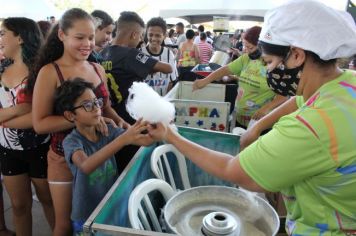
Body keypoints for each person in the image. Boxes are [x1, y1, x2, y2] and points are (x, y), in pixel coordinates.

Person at [148, 0, 356, 235]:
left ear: (297, 55)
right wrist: (257, 128)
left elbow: (233, 170)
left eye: (269, 62)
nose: (268, 70)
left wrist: (170, 135)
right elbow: (300, 99)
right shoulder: (346, 81)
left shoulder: (313, 126)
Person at [29, 8, 125, 235]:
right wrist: (84, 118)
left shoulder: (97, 68)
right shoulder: (50, 72)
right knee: (64, 226)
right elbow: (40, 124)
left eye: (91, 37)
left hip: (101, 157)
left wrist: (128, 126)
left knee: (98, 219)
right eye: (79, 37)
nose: (87, 43)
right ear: (62, 35)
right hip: (63, 159)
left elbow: (107, 108)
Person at [53, 78, 153, 235]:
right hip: (86, 216)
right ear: (71, 115)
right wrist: (123, 139)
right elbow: (86, 166)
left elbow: (143, 140)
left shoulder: (107, 131)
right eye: (87, 105)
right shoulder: (71, 141)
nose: (96, 108)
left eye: (96, 102)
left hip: (109, 206)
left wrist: (152, 127)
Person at [0, 17, 54, 236]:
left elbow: (39, 119)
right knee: (19, 206)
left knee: (49, 202)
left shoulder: (40, 72)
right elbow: (28, 113)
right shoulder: (1, 68)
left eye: (3, 33)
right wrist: (18, 109)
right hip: (7, 149)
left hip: (40, 149)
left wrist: (3, 119)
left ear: (20, 37)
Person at [100, 11, 172, 174]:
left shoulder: (102, 53)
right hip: (130, 121)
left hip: (110, 119)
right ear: (134, 34)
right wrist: (148, 67)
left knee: (117, 165)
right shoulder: (130, 54)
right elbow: (168, 68)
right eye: (140, 36)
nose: (141, 40)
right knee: (133, 168)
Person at [193, 26, 287, 128]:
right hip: (240, 117)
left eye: (250, 47)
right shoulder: (245, 59)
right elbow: (225, 69)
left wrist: (266, 108)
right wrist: (205, 81)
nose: (246, 50)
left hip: (260, 121)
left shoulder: (273, 63)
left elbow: (284, 95)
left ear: (261, 46)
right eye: (244, 46)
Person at [140, 17, 178, 96]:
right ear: (147, 34)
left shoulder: (169, 54)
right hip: (144, 103)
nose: (153, 38)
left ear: (164, 36)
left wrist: (165, 101)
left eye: (158, 35)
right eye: (150, 35)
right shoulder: (139, 54)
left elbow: (171, 81)